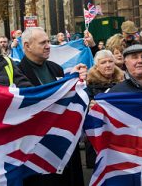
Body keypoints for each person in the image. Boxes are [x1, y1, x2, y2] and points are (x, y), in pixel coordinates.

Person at [18, 27, 86, 186]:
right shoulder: (18, 72)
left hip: (61, 139)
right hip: (37, 145)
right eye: (43, 43)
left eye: (48, 41)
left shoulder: (56, 68)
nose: (48, 45)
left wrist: (72, 80)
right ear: (27, 46)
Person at [85, 49, 124, 168]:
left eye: (110, 61)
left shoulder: (124, 82)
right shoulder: (88, 85)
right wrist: (89, 108)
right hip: (99, 133)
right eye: (103, 62)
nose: (108, 65)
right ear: (96, 66)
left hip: (119, 133)